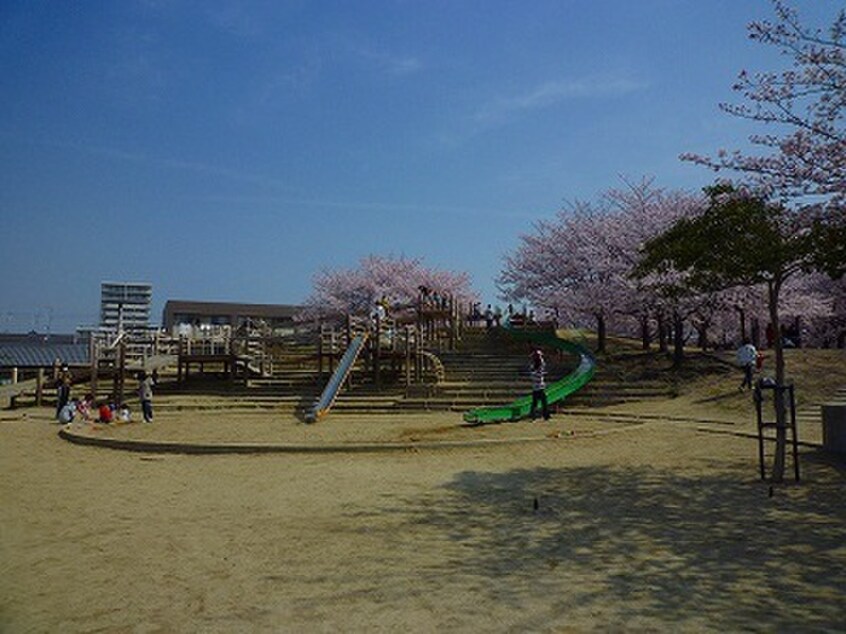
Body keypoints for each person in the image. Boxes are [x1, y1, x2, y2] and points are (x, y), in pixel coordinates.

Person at [528, 349, 550, 421]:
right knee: (544, 402)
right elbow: (542, 364)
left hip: (535, 387)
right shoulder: (540, 365)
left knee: (535, 402)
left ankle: (533, 415)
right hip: (540, 386)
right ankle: (545, 416)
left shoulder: (533, 366)